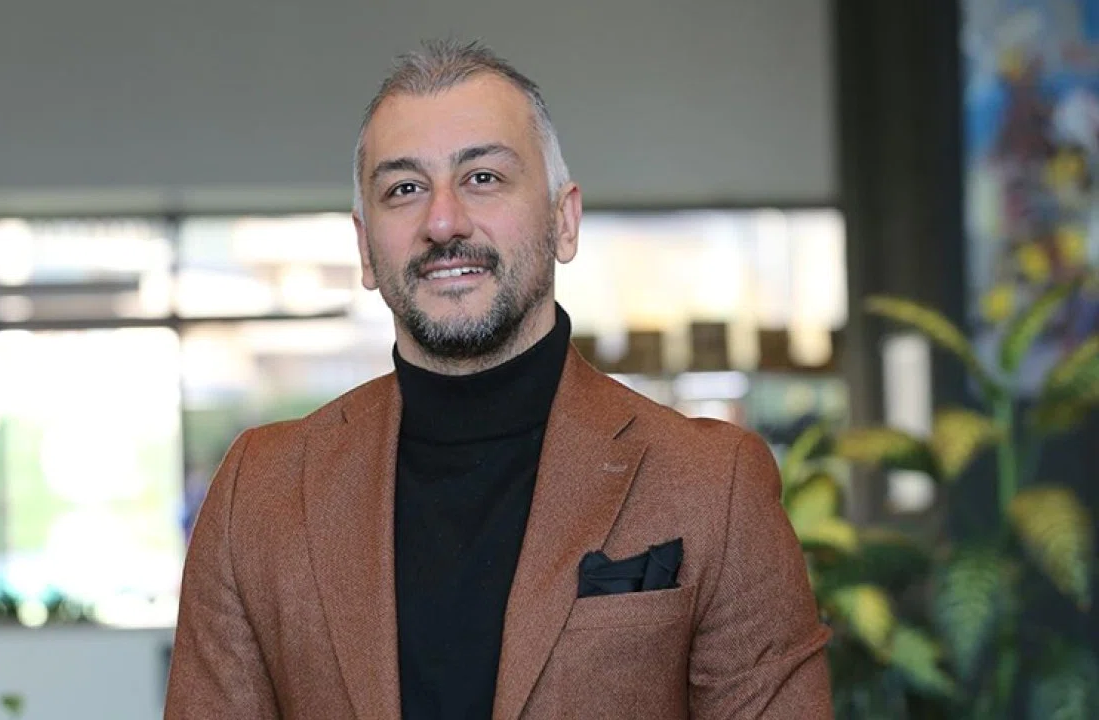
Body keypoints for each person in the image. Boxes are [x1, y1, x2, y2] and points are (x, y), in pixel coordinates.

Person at [165, 39, 832, 720]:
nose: (443, 221)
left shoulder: (708, 483)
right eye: (404, 189)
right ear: (365, 248)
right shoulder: (261, 493)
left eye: (482, 177)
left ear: (563, 221)